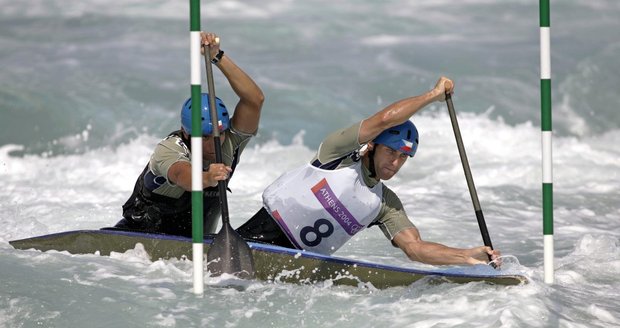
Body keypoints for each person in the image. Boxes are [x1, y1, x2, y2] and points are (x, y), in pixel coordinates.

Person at [237, 77, 500, 266]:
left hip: (294, 270)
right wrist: (433, 95)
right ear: (372, 146)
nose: (395, 163)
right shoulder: (335, 155)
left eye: (403, 157)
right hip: (247, 242)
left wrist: (465, 256)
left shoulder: (385, 204)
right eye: (390, 152)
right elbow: (385, 119)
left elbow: (415, 248)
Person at [114, 32, 264, 237]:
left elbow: (254, 100)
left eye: (218, 134)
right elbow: (182, 176)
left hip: (198, 241)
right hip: (141, 236)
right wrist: (208, 178)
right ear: (186, 133)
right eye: (203, 137)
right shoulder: (170, 149)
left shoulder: (230, 142)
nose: (214, 144)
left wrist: (217, 56)